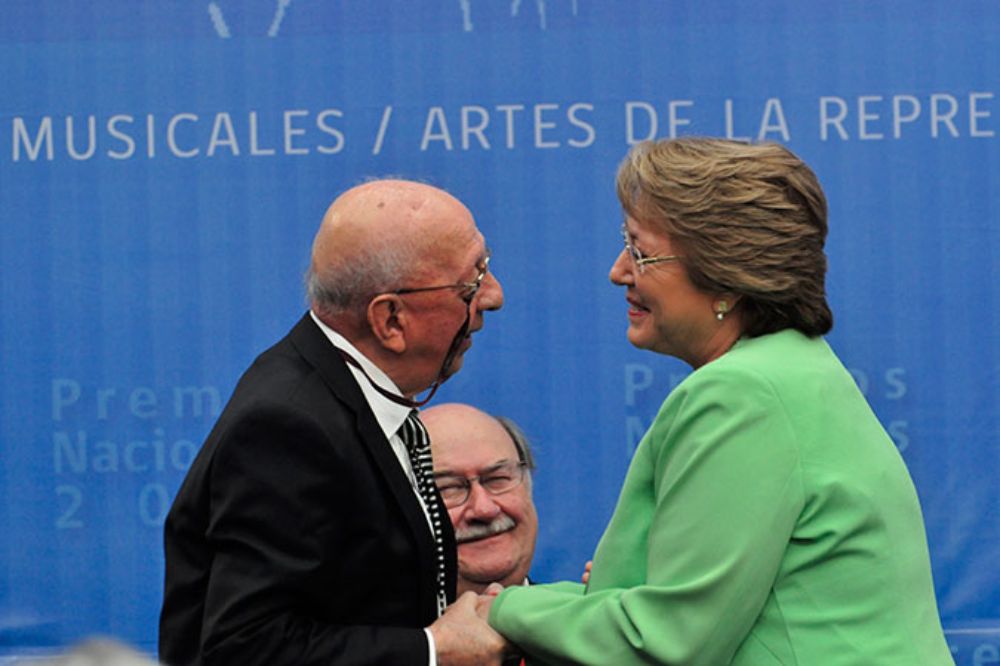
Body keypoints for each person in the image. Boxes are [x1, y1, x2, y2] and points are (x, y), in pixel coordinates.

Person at [485, 138, 953, 664]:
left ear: (725, 276)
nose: (618, 270)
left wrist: (500, 612)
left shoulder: (742, 394)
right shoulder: (795, 370)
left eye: (640, 250)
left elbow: (665, 642)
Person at [159, 179, 509, 666]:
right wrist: (434, 650)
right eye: (471, 283)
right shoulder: (286, 427)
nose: (494, 296)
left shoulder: (346, 393)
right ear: (390, 319)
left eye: (485, 266)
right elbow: (245, 648)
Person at [421, 403, 538, 596]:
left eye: (497, 479)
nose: (484, 509)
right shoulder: (365, 625)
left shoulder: (581, 624)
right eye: (449, 488)